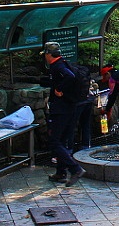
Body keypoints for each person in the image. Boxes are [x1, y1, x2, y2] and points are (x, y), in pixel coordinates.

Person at [40, 41, 86, 186]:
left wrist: (59, 89)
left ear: (49, 54)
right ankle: (61, 173)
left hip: (61, 110)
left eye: (45, 54)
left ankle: (75, 169)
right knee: (62, 140)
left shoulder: (57, 66)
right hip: (71, 107)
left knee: (54, 141)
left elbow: (70, 76)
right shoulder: (64, 63)